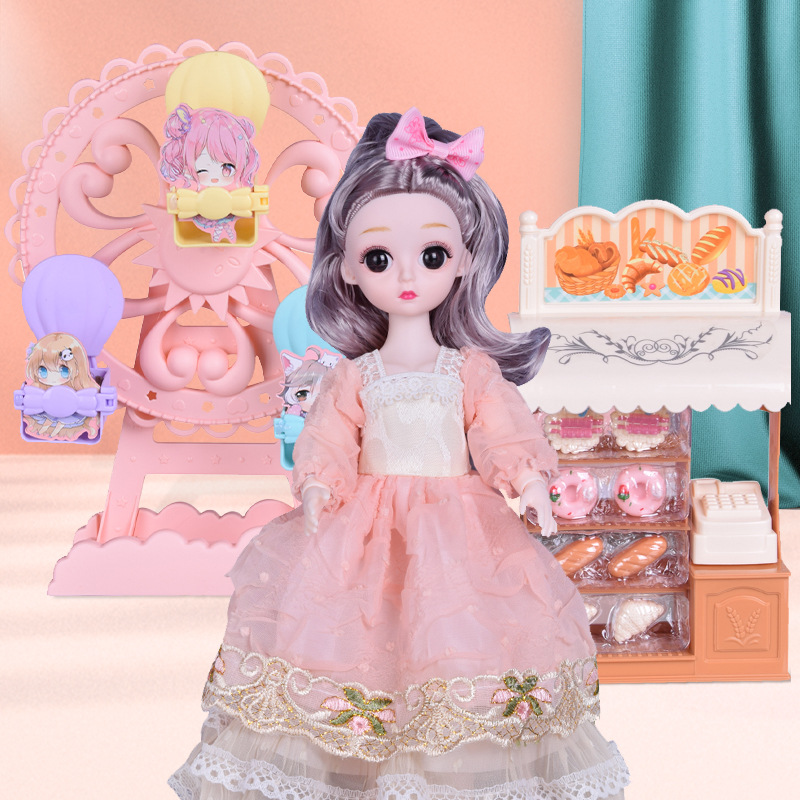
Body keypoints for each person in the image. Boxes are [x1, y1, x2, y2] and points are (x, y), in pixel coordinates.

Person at [170, 108, 629, 800]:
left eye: (432, 256)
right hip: (363, 526)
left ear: (463, 261)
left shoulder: (468, 371)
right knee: (362, 638)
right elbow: (329, 437)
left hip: (459, 529)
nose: (407, 275)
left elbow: (500, 431)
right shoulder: (355, 376)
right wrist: (319, 483)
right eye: (380, 258)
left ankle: (453, 769)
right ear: (349, 270)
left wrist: (527, 480)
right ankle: (357, 768)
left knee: (456, 639)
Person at [159, 103, 260, 243]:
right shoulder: (187, 189)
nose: (214, 179)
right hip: (190, 225)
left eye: (227, 168)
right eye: (202, 170)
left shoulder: (239, 191)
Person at [23, 332, 100, 441]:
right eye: (43, 370)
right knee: (48, 419)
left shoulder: (82, 388)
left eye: (63, 370)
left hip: (72, 413)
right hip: (49, 411)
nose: (53, 377)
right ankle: (46, 429)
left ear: (77, 368)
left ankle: (55, 430)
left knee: (62, 421)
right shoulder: (39, 389)